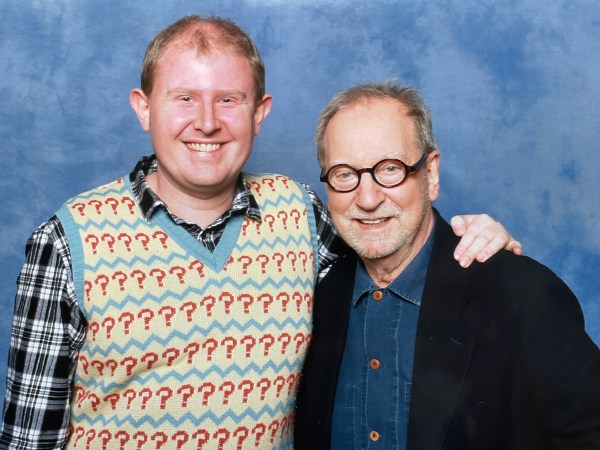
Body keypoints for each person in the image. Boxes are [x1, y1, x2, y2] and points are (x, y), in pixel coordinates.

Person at [0, 17, 520, 450]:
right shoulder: (69, 241)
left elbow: (392, 252)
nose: (207, 122)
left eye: (228, 99)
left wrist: (472, 240)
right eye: (184, 98)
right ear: (143, 108)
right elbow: (28, 438)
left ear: (259, 113)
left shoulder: (302, 215)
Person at [294, 80, 600, 450]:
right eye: (344, 173)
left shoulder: (524, 294)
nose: (368, 198)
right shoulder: (310, 296)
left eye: (390, 168)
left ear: (431, 174)